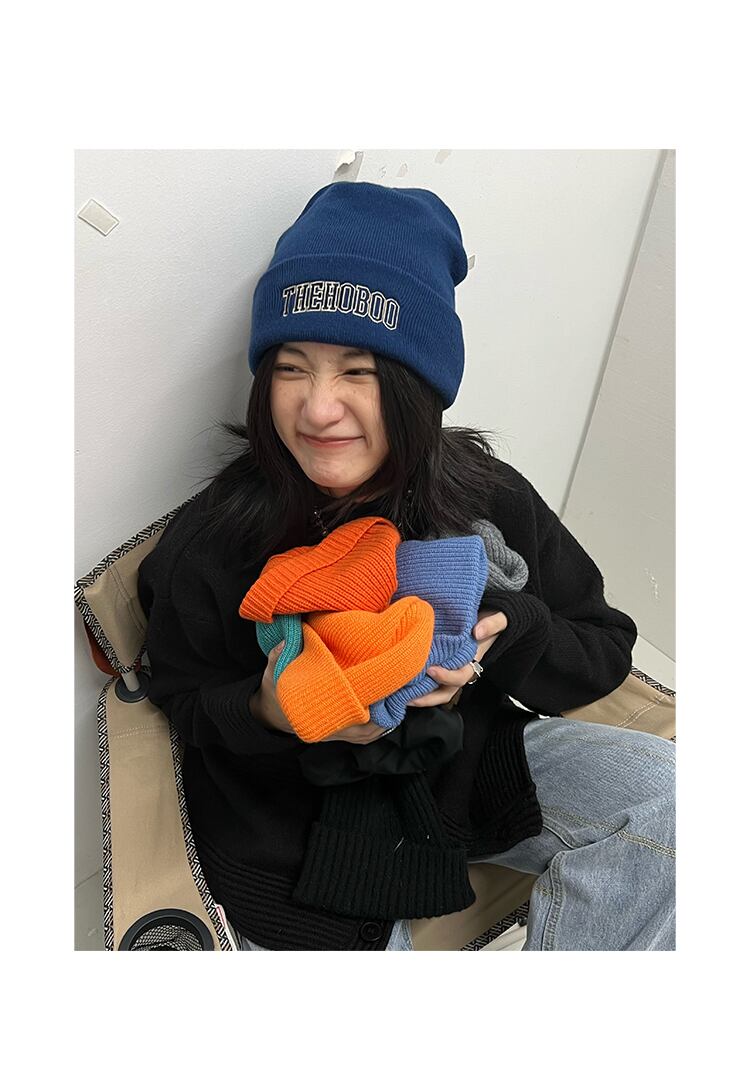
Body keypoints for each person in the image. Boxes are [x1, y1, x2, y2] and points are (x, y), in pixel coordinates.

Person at [137, 181, 675, 951]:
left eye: (357, 371)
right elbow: (181, 699)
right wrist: (269, 710)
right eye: (291, 368)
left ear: (416, 383)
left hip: (467, 770)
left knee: (674, 803)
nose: (318, 408)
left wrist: (503, 634)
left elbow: (602, 648)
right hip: (298, 833)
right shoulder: (217, 538)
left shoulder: (484, 497)